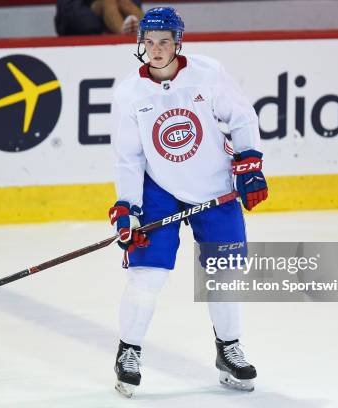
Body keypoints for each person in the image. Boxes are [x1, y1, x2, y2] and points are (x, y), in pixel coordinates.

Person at [108, 6, 268, 398]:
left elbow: (242, 117)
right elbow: (128, 157)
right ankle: (128, 352)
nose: (157, 49)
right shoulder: (129, 92)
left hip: (214, 187)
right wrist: (128, 206)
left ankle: (228, 349)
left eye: (164, 42)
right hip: (158, 192)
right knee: (148, 276)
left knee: (224, 273)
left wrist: (248, 164)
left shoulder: (208, 72)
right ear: (141, 44)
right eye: (149, 42)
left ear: (178, 42)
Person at [55, 0, 143, 36]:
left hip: (120, 16)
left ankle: (151, 30)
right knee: (108, 2)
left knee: (125, 2)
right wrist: (100, 27)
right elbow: (71, 12)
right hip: (88, 20)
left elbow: (136, 4)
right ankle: (124, 37)